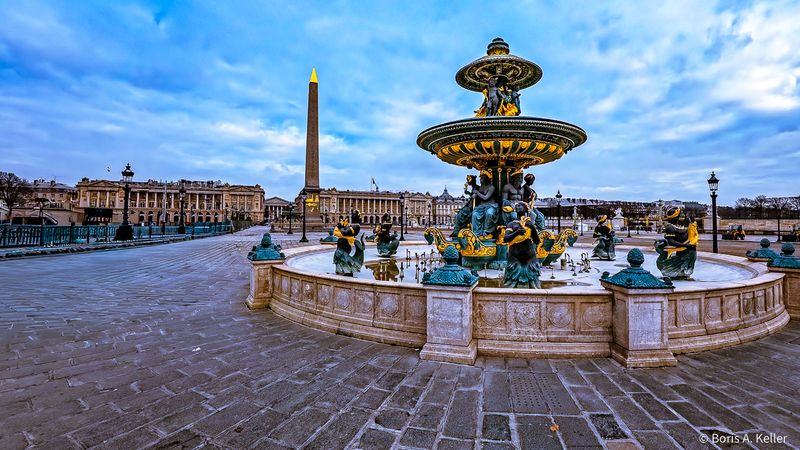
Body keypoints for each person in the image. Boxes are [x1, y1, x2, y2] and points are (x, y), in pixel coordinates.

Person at [470, 170, 499, 239]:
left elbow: (486, 198)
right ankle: (477, 233)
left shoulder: (492, 187)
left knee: (489, 213)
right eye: (480, 178)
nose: (481, 180)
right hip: (481, 206)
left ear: (487, 178)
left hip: (491, 205)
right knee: (474, 214)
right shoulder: (481, 187)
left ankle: (488, 232)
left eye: (482, 178)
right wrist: (474, 196)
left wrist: (477, 192)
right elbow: (479, 198)